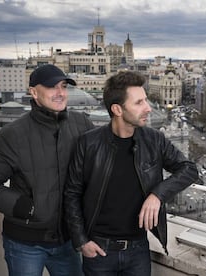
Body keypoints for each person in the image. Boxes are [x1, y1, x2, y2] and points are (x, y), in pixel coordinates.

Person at [64, 71, 198, 275]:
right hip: (98, 249)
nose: (148, 108)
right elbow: (72, 194)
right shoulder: (88, 143)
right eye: (139, 103)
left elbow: (189, 169)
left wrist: (157, 195)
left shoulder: (154, 140)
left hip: (138, 249)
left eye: (146, 100)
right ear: (117, 109)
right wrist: (82, 241)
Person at [0, 64, 94, 276]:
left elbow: (102, 166)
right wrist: (25, 208)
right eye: (52, 87)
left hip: (67, 239)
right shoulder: (13, 135)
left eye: (63, 86)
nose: (60, 93)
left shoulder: (81, 123)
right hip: (25, 243)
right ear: (34, 92)